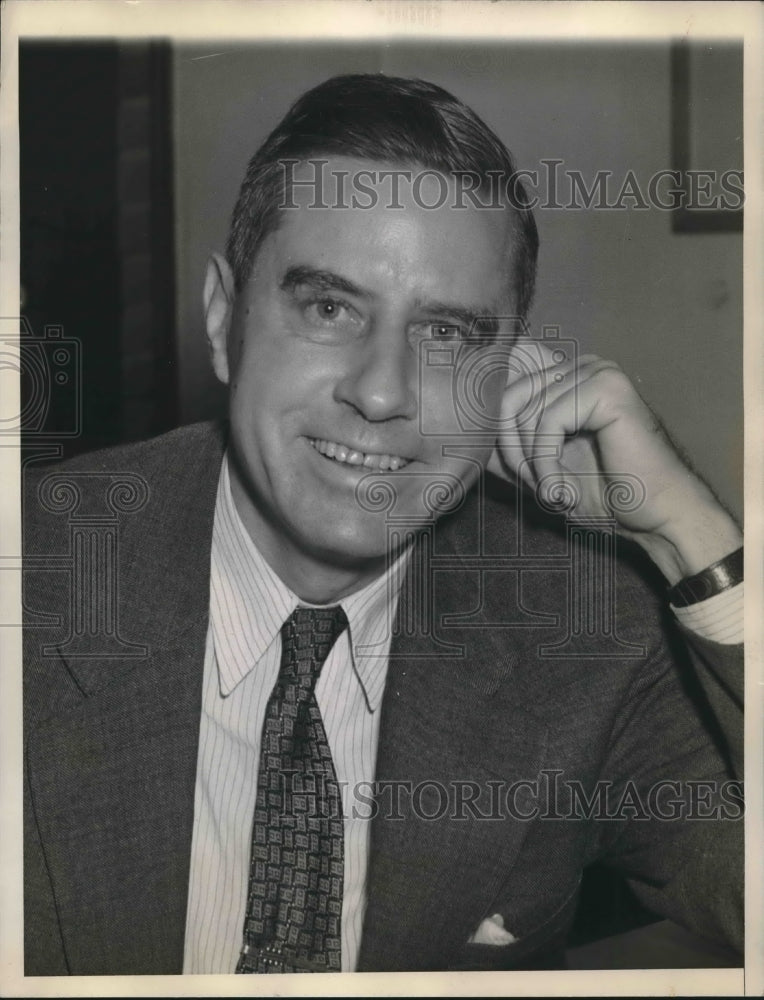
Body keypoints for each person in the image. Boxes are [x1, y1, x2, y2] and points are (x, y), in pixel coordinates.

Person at [23, 73, 743, 976]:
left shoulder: (582, 633)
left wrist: (690, 532)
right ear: (222, 320)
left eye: (445, 335)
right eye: (329, 308)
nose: (380, 391)